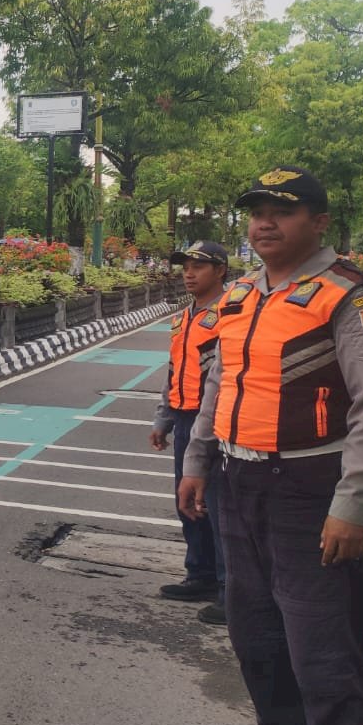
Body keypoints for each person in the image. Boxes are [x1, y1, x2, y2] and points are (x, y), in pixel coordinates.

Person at [179, 167, 363, 725]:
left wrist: (354, 501)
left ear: (317, 218)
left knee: (325, 645)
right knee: (254, 629)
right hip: (238, 478)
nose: (264, 223)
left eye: (282, 210)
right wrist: (198, 460)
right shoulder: (245, 293)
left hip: (312, 487)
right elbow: (223, 379)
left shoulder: (351, 296)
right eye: (255, 211)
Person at [149, 240, 229, 624]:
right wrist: (163, 419)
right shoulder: (184, 317)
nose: (189, 273)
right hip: (183, 417)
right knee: (188, 503)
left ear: (220, 270)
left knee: (218, 505)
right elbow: (172, 370)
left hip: (214, 420)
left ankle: (232, 591)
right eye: (185, 267)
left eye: (198, 266)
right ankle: (200, 574)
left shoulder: (232, 313)